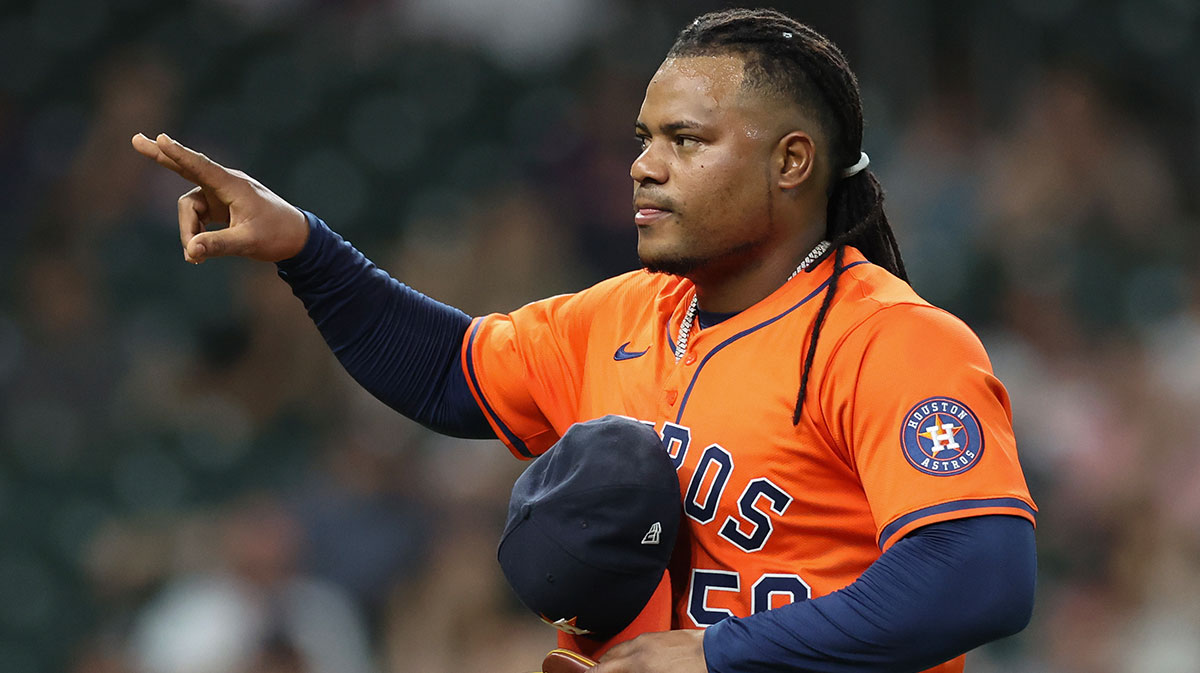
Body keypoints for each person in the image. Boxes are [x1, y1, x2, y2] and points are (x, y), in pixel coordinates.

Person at [132, 8, 1037, 673]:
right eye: (643, 138)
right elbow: (450, 373)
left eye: (686, 139)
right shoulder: (624, 314)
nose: (643, 164)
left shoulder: (889, 340)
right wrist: (304, 246)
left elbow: (979, 575)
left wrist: (720, 655)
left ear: (791, 162)